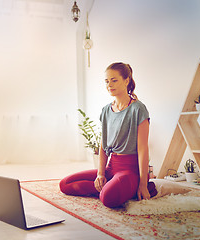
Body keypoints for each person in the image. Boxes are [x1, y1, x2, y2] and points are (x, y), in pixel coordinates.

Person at [59, 62, 157, 208]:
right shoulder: (106, 110)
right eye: (106, 81)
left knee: (107, 198)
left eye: (114, 80)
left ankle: (140, 187)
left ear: (126, 80)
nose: (109, 84)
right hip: (111, 168)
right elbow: (103, 145)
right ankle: (112, 187)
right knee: (65, 184)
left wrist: (143, 184)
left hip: (130, 171)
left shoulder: (138, 109)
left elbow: (143, 148)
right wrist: (100, 175)